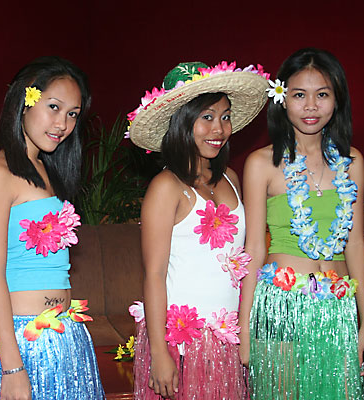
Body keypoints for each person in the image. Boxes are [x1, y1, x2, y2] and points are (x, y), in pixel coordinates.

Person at [240, 47, 364, 399]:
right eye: (300, 95)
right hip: (281, 307)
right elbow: (253, 249)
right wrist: (244, 330)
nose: (311, 106)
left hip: (338, 311)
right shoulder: (261, 164)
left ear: (337, 100)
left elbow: (355, 243)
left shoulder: (352, 162)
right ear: (282, 99)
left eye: (322, 95)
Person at [127, 61, 270, 399]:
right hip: (182, 342)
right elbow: (154, 274)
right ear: (182, 122)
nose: (219, 128)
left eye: (225, 116)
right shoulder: (166, 186)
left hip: (226, 337)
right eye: (207, 117)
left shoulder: (231, 178)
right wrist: (159, 352)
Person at [0, 56, 104, 400]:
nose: (63, 124)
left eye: (73, 114)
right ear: (25, 102)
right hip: (22, 340)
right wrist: (12, 367)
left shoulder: (46, 169)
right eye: (54, 107)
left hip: (63, 331)